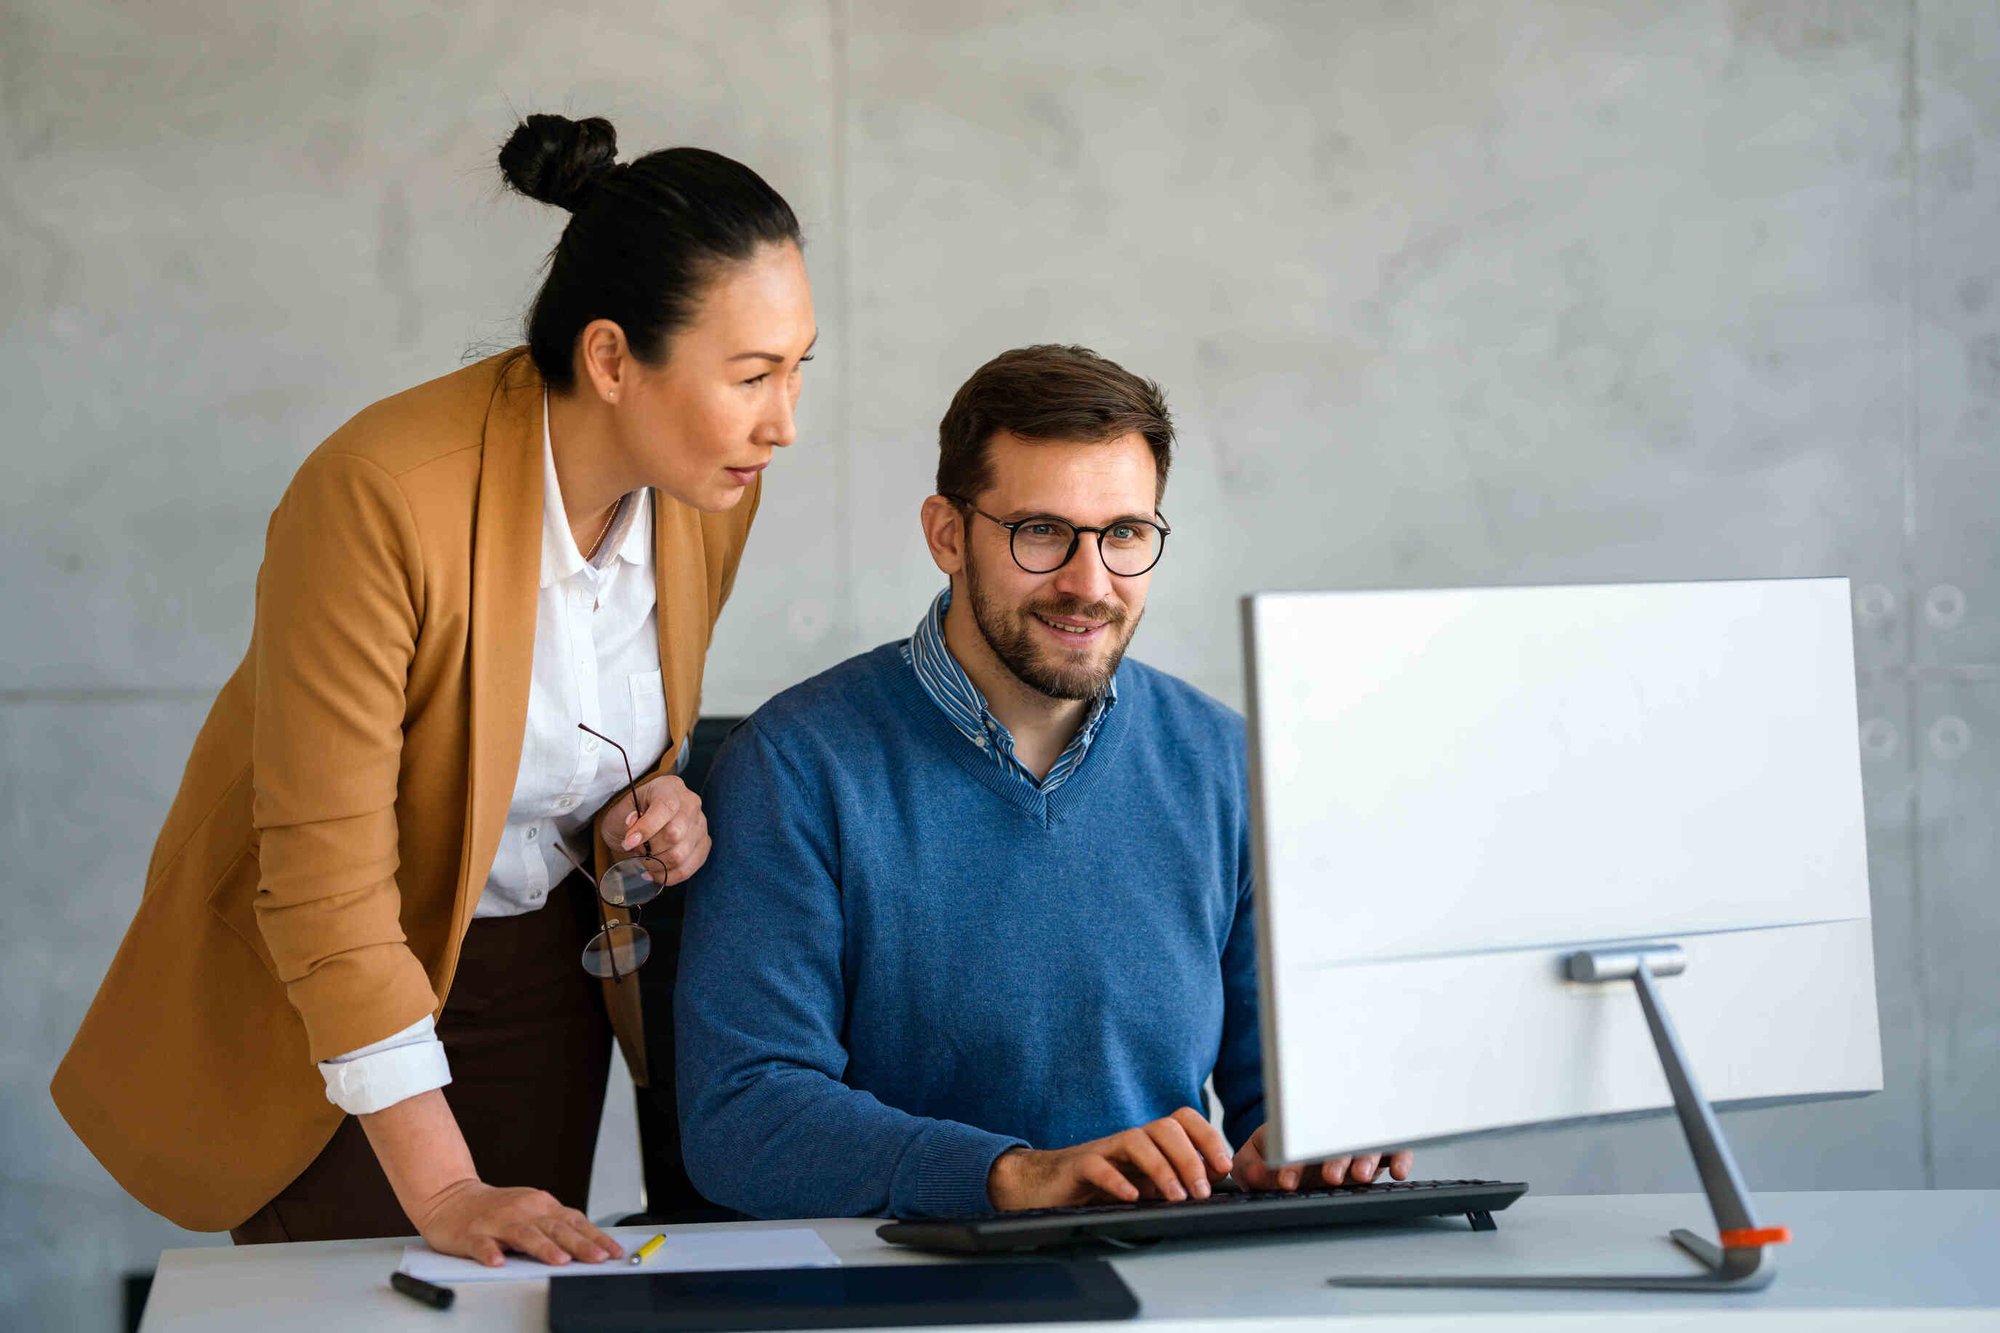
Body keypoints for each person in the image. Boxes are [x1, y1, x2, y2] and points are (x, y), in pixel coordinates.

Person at [51, 113, 816, 1264]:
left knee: (513, 1296)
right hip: (341, 1008)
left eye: (799, 369)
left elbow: (574, 716)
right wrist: (447, 1184)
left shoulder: (709, 483)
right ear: (612, 360)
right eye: (752, 374)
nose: (784, 422)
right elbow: (323, 877)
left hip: (542, 981)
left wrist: (655, 795)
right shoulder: (377, 497)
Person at [673, 344, 1410, 1219]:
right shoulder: (795, 764)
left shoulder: (1225, 762)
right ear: (949, 533)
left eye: (1126, 534)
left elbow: (1277, 1096)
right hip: (904, 1285)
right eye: (1042, 532)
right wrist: (1020, 1176)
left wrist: (1317, 1142)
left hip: (1174, 1280)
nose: (1089, 583)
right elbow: (744, 1119)